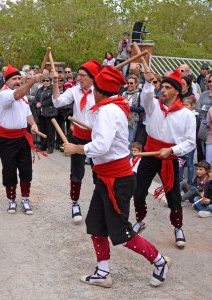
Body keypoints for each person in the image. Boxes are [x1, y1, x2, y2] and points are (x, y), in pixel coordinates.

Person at [64, 66, 171, 289]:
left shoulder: (108, 111)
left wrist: (76, 148)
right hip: (106, 177)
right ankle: (103, 272)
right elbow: (106, 138)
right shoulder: (115, 105)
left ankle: (160, 262)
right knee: (95, 224)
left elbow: (101, 146)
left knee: (121, 232)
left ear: (99, 91)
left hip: (117, 180)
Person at [133, 69, 196, 248]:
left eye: (167, 88)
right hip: (150, 154)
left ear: (176, 91)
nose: (163, 90)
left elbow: (190, 142)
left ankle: (178, 228)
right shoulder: (153, 105)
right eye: (162, 87)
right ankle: (139, 221)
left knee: (173, 195)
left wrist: (172, 149)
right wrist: (147, 83)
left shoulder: (187, 115)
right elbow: (145, 98)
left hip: (169, 158)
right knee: (138, 191)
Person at [52, 60, 103, 224]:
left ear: (92, 77)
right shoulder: (74, 90)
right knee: (76, 172)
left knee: (99, 173)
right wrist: (55, 83)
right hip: (78, 136)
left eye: (82, 75)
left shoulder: (100, 92)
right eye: (78, 75)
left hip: (97, 137)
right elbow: (57, 102)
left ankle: (100, 205)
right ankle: (75, 203)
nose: (78, 78)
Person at [0, 65, 43, 215]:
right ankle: (11, 200)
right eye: (13, 79)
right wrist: (32, 81)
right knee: (9, 171)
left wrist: (34, 124)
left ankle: (25, 199)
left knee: (26, 170)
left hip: (22, 138)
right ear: (7, 81)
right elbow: (16, 94)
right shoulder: (3, 94)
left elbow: (28, 114)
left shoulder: (22, 96)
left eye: (18, 79)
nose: (17, 81)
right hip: (6, 140)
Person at [122, 75, 143, 144]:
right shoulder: (124, 93)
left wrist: (129, 108)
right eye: (128, 83)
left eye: (131, 83)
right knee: (121, 140)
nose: (129, 85)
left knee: (130, 140)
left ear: (136, 84)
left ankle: (129, 155)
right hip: (122, 120)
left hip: (133, 121)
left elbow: (142, 108)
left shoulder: (139, 94)